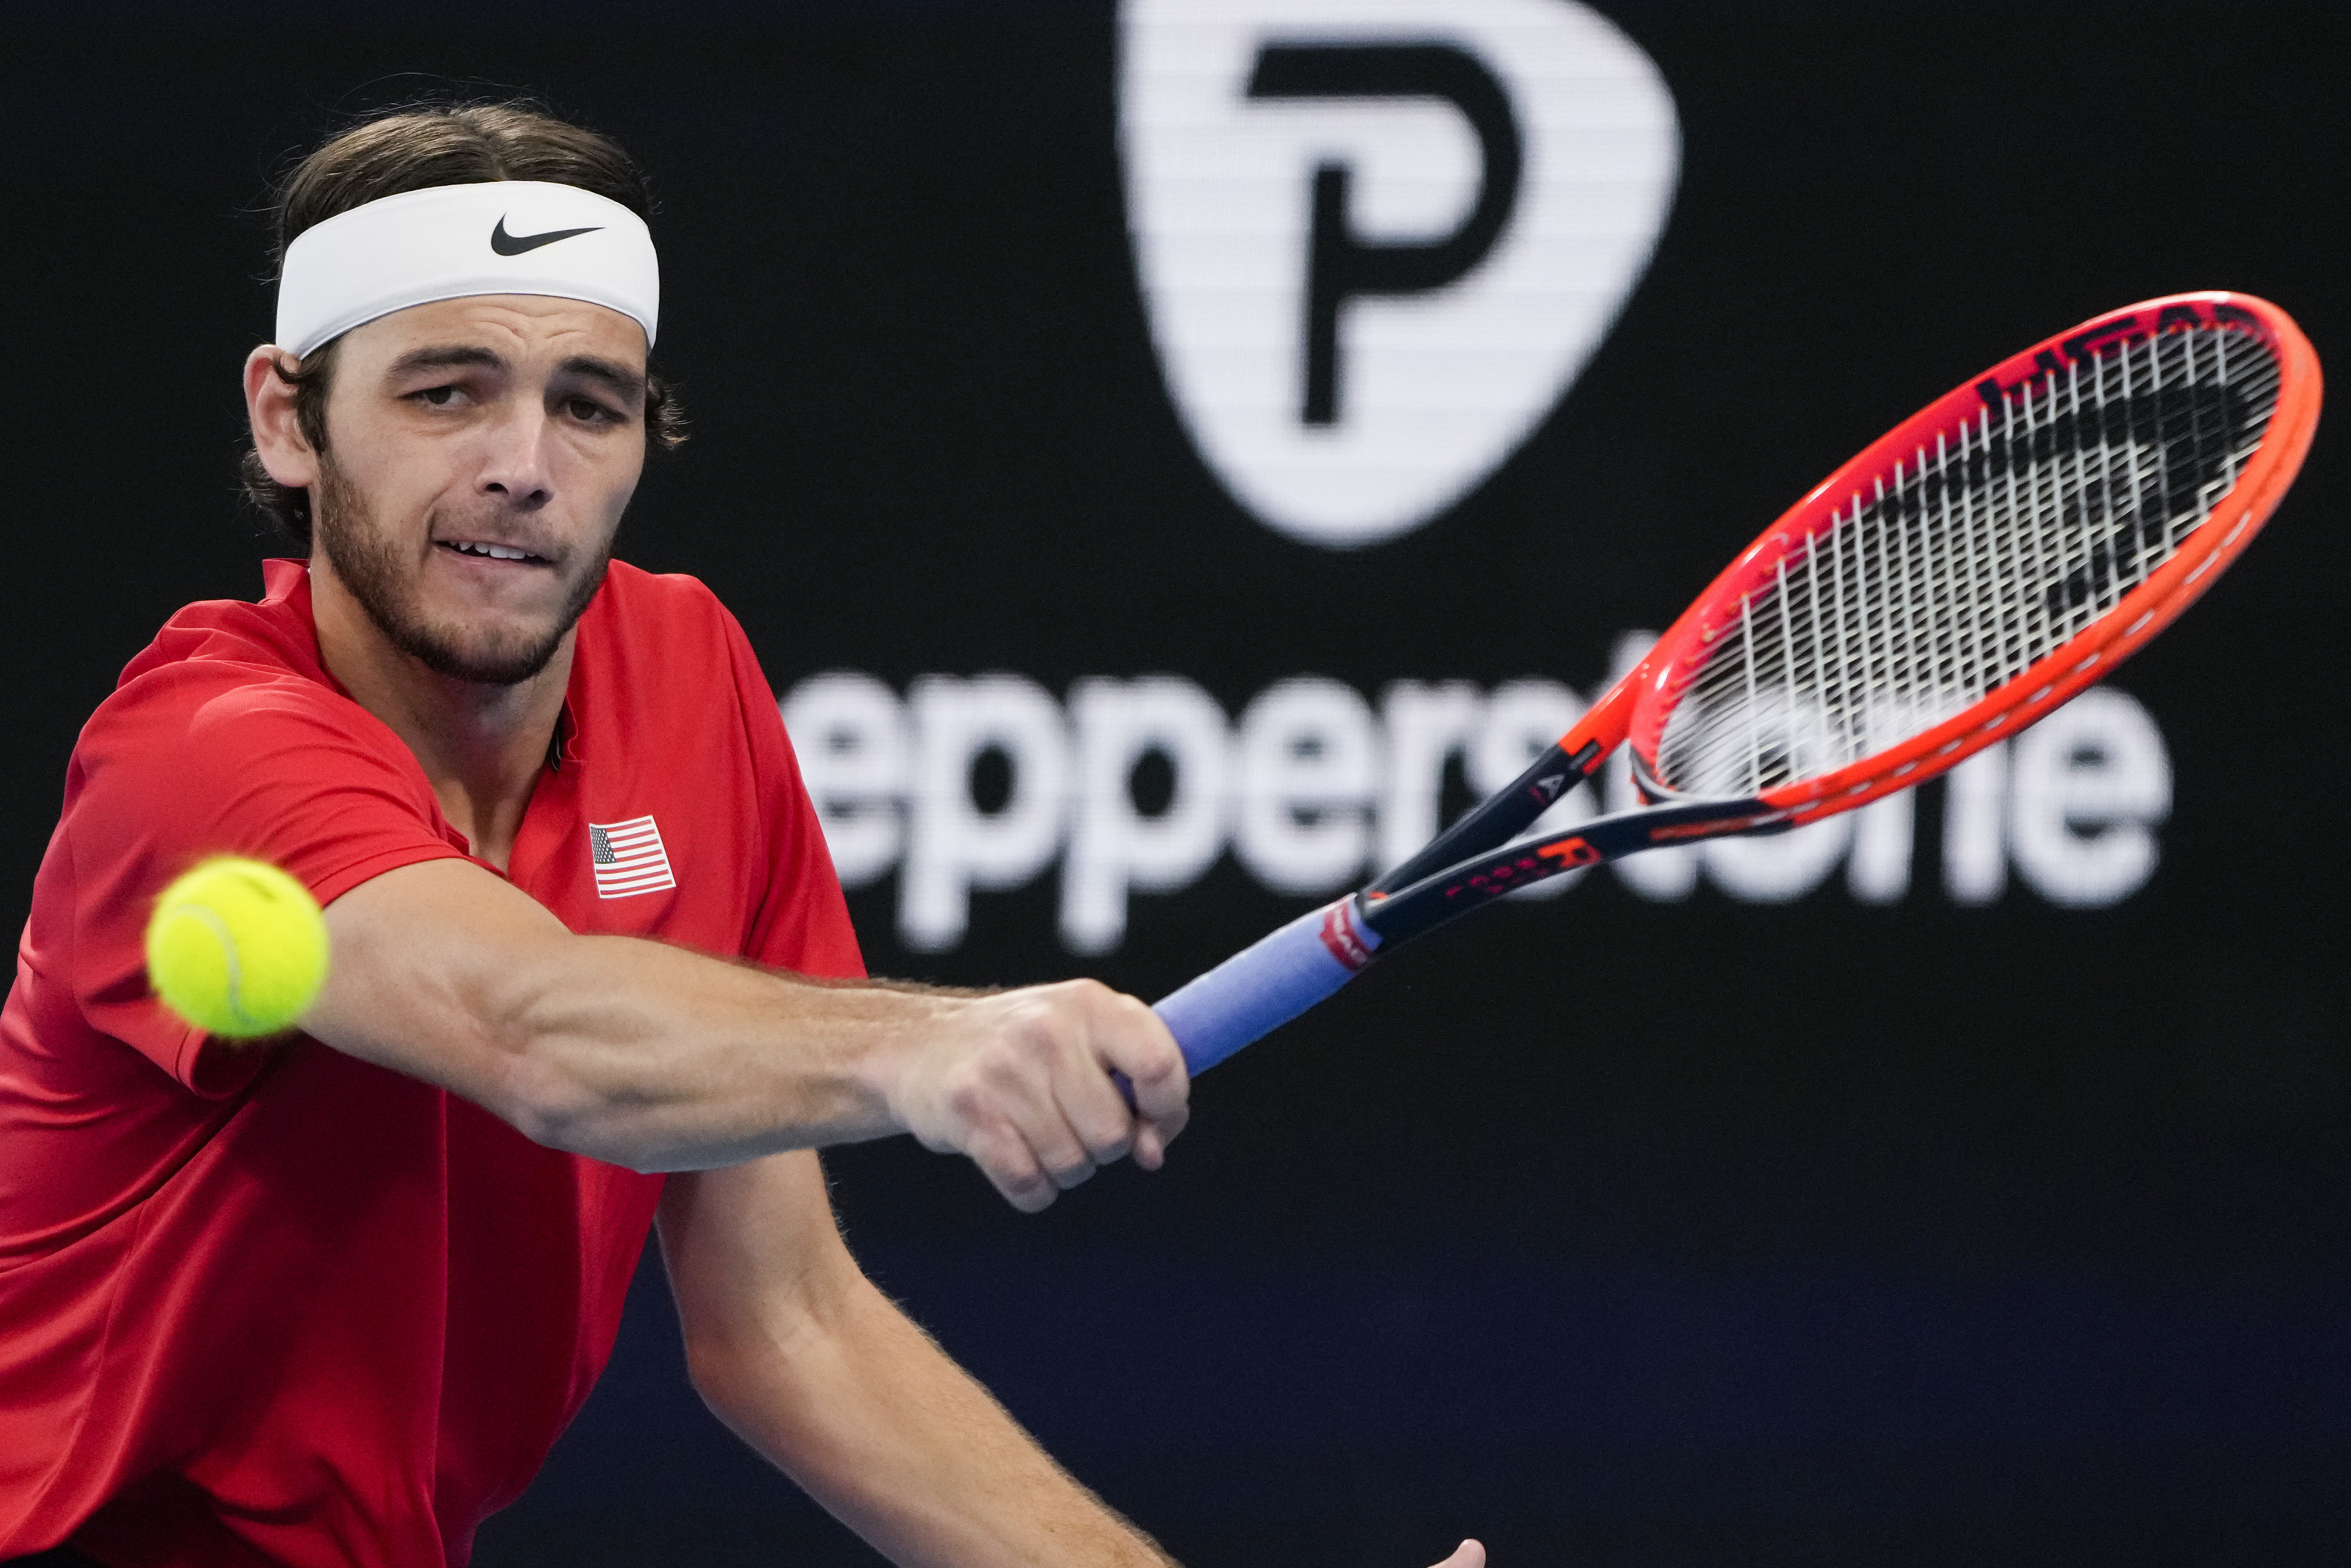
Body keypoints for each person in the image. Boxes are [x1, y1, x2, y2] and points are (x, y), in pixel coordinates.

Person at [0, 102, 1484, 1568]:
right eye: (445, 392)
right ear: (288, 417)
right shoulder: (200, 760)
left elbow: (789, 1327)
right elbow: (541, 1033)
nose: (526, 462)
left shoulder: (686, 669)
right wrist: (924, 1049)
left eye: (588, 404)